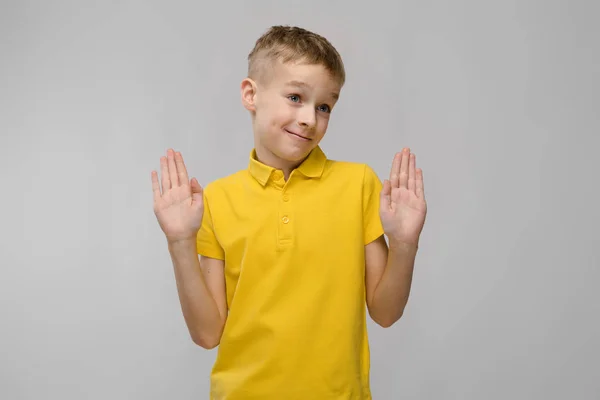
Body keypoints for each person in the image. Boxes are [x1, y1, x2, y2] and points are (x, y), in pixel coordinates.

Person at [151, 25, 427, 400]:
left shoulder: (358, 184)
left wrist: (405, 243)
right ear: (251, 94)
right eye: (295, 97)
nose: (310, 119)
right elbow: (206, 334)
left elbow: (385, 312)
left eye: (324, 106)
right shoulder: (217, 198)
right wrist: (181, 242)